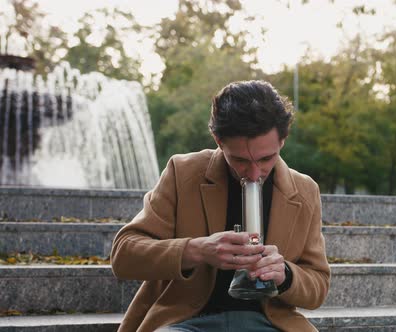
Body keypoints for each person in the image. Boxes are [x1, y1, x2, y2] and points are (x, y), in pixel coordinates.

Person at [111, 80, 331, 332]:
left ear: (283, 140)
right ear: (218, 140)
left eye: (266, 158)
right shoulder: (183, 172)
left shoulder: (304, 191)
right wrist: (197, 250)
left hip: (271, 324)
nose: (254, 172)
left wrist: (285, 274)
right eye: (239, 159)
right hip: (185, 322)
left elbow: (318, 285)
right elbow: (123, 255)